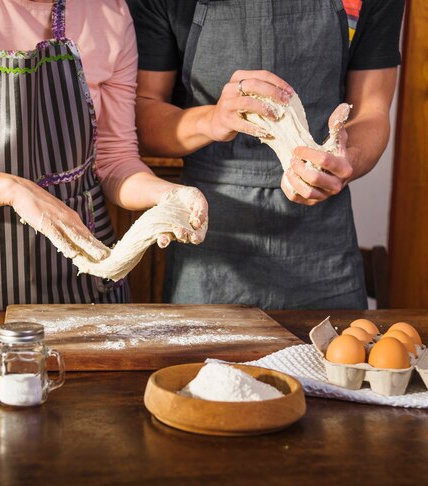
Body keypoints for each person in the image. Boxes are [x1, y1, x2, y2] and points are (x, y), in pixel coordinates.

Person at [0, 0, 208, 311]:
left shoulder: (110, 11)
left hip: (84, 291)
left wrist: (166, 196)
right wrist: (14, 190)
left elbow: (115, 159)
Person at [127, 0, 404, 309]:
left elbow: (372, 111)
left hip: (323, 249)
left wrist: (340, 162)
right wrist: (212, 120)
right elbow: (143, 114)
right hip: (209, 239)